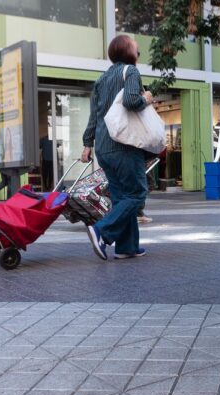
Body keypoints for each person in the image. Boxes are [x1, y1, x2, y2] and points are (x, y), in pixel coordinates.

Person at [81, 35, 153, 260]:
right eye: (137, 51)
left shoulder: (101, 79)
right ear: (129, 53)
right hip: (124, 144)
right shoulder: (130, 72)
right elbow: (132, 101)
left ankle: (127, 246)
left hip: (103, 147)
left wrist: (87, 144)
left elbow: (94, 116)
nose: (138, 56)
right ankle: (102, 230)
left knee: (122, 198)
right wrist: (147, 99)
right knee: (137, 194)